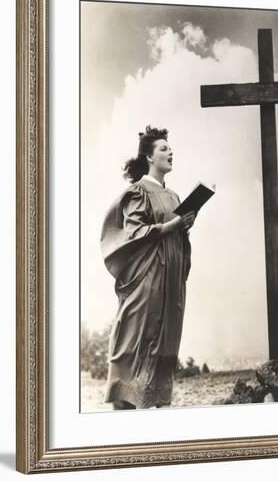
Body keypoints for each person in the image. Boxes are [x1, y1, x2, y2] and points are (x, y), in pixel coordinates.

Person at [100, 125, 196, 410]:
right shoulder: (138, 192)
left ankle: (151, 407)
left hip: (170, 282)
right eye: (164, 149)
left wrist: (184, 227)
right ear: (150, 157)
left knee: (164, 341)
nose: (170, 152)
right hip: (147, 281)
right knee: (136, 339)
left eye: (170, 148)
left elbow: (175, 236)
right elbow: (134, 233)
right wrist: (171, 225)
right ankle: (124, 407)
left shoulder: (174, 196)